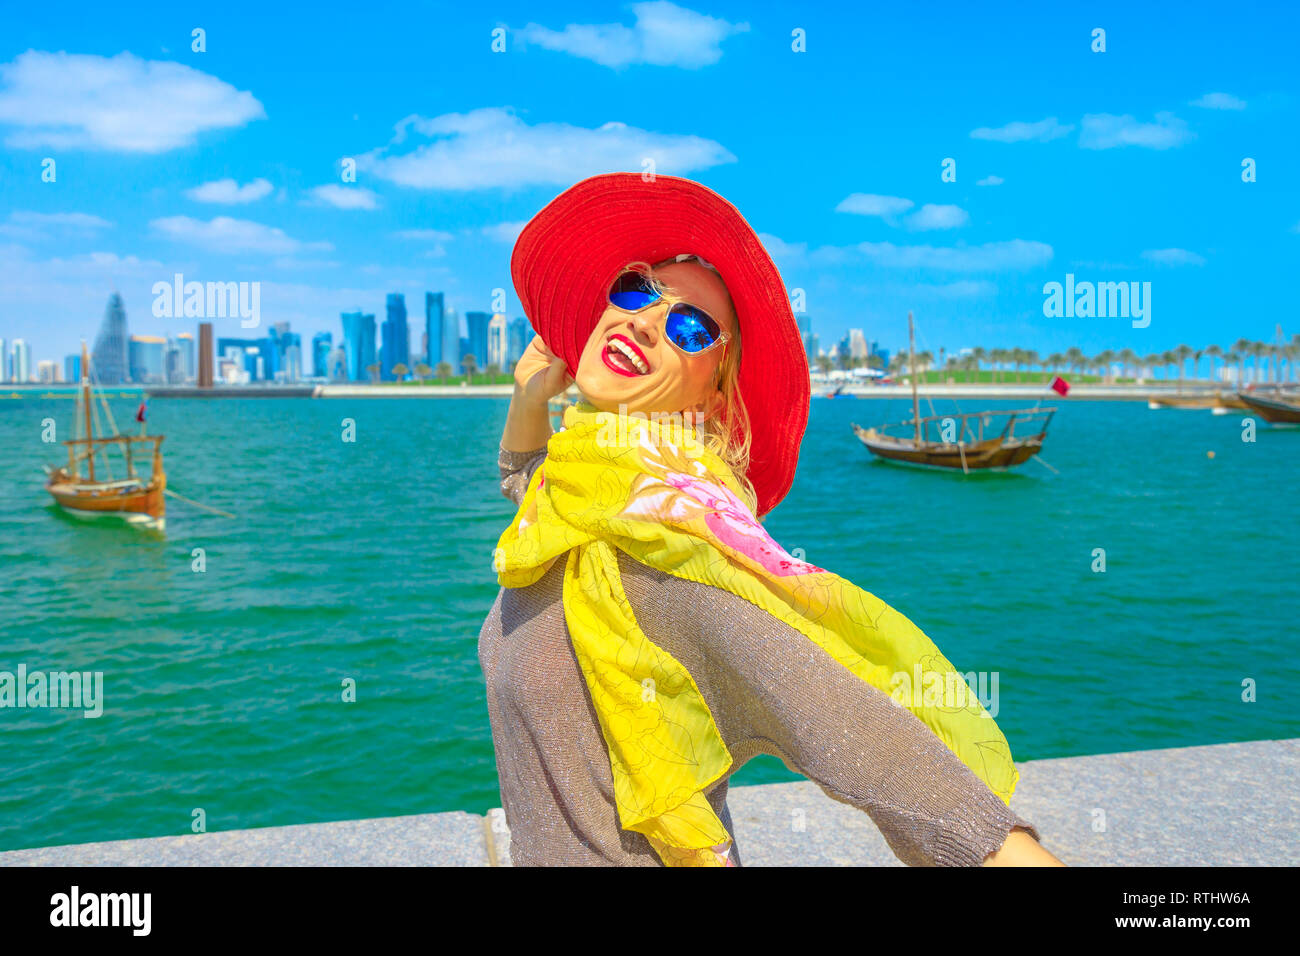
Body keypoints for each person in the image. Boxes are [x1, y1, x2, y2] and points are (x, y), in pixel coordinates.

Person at [479, 173, 1062, 867]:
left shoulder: (678, 562)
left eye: (689, 328)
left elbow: (881, 753)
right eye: (636, 289)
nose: (643, 320)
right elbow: (525, 477)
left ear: (714, 389)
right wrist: (528, 396)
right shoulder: (575, 493)